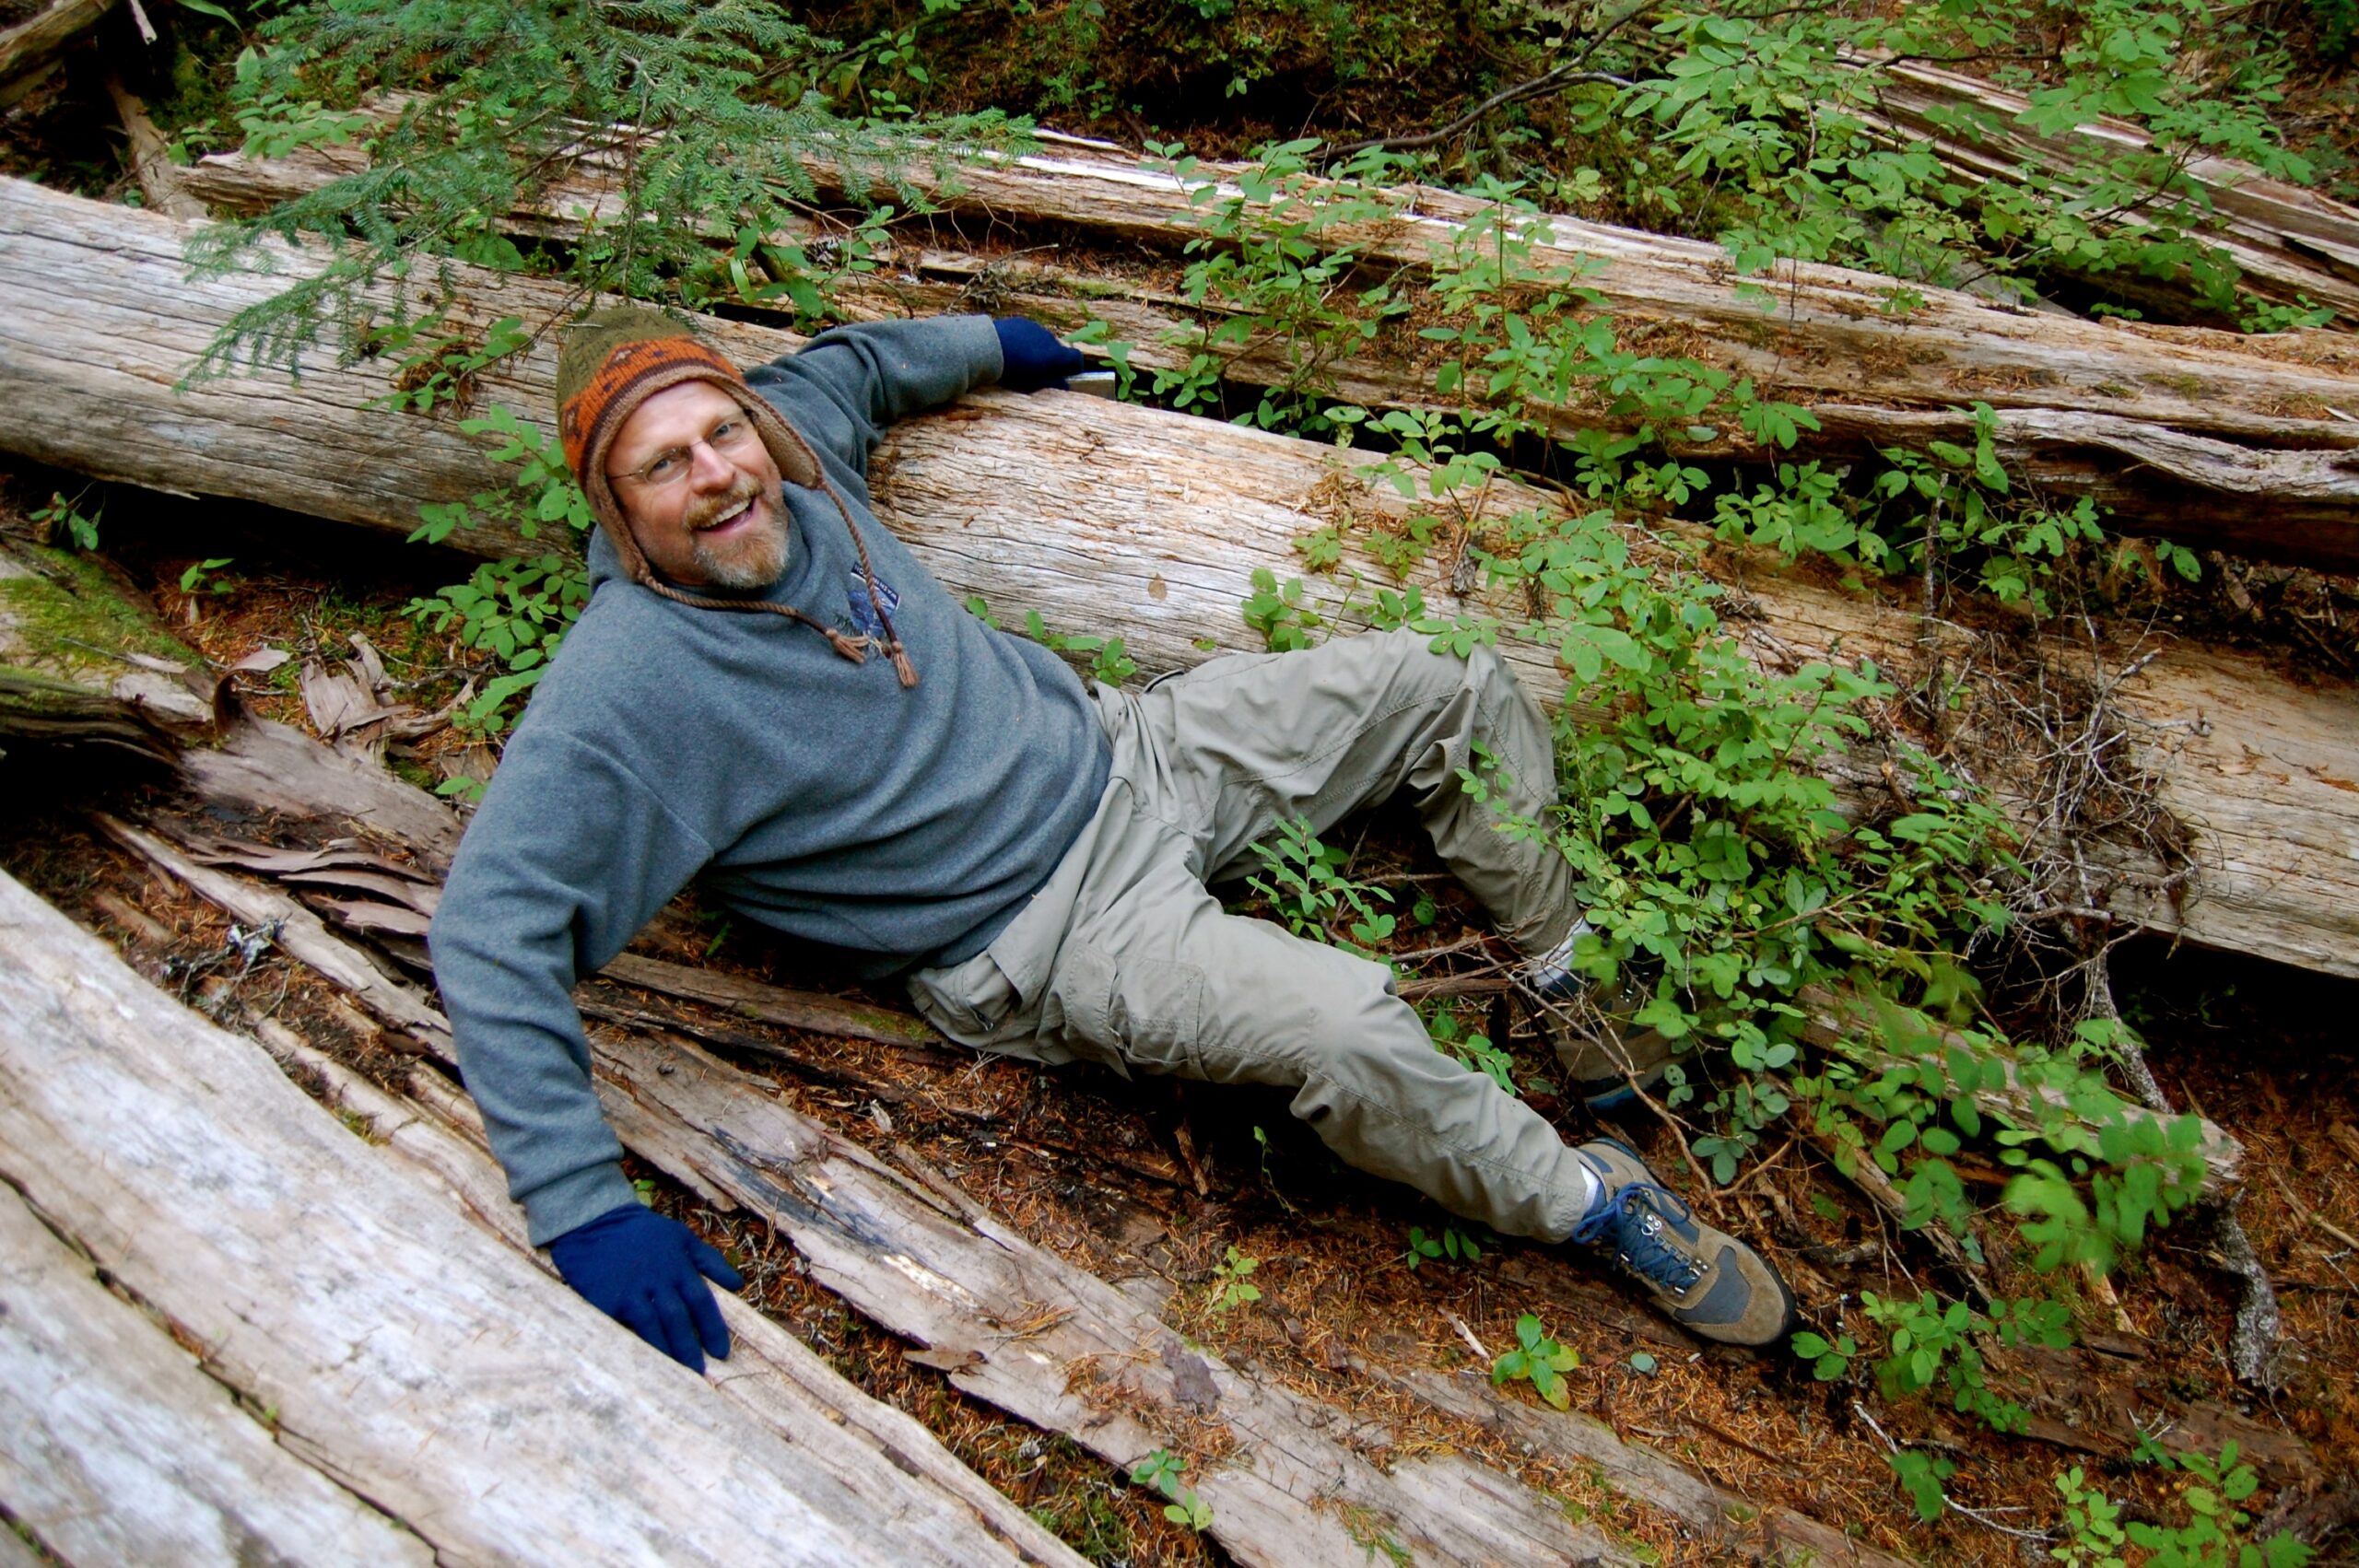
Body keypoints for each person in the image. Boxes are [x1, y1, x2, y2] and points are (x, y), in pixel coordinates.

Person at [427, 307, 1795, 1375]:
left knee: (1451, 682)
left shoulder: (791, 455)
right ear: (617, 509)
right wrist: (580, 1204)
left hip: (1132, 748)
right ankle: (1590, 1200)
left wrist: (992, 343)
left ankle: (1568, 981)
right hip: (1045, 927)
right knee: (1346, 1026)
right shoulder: (631, 685)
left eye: (719, 429)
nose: (718, 474)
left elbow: (854, 367)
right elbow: (490, 928)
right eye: (662, 465)